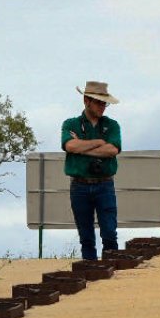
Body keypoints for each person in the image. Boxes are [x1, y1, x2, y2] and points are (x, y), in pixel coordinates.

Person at [62, 81, 122, 260]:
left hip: (105, 184)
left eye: (105, 103)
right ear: (86, 101)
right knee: (86, 237)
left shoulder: (112, 125)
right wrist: (99, 142)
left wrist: (83, 147)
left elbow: (113, 150)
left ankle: (112, 270)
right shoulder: (70, 123)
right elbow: (70, 146)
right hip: (79, 185)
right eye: (99, 102)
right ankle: (90, 273)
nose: (103, 107)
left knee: (110, 233)